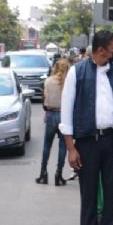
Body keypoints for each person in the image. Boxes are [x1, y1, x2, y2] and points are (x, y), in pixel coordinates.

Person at [60, 31, 113, 225]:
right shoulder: (77, 72)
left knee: (112, 191)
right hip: (86, 141)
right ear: (101, 50)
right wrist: (71, 149)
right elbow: (67, 110)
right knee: (89, 191)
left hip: (112, 140)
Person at [39, 58, 71, 186]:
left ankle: (43, 173)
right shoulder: (68, 82)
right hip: (64, 115)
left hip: (51, 114)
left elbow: (45, 100)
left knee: (47, 145)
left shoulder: (48, 81)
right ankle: (59, 174)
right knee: (63, 145)